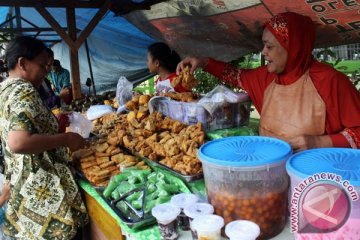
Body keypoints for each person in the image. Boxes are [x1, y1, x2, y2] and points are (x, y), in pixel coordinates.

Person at [177, 12, 360, 152]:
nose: (263, 52)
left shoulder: (329, 80)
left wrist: (318, 142)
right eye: (263, 45)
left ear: (293, 48)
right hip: (270, 173)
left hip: (315, 182)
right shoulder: (265, 77)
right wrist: (203, 62)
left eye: (269, 46)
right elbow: (233, 74)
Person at [0, 36, 88, 239]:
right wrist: (65, 139)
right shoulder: (24, 89)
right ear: (22, 63)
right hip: (44, 192)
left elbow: (21, 129)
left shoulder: (5, 89)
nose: (47, 71)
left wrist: (53, 126)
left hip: (25, 188)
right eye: (42, 65)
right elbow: (18, 141)